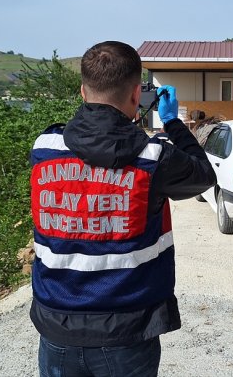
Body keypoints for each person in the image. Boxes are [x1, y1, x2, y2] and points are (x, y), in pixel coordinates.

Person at [29, 41, 216, 377]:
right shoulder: (155, 159)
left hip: (56, 326)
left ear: (82, 93)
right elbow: (204, 176)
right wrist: (173, 123)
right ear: (135, 96)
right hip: (127, 331)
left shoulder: (44, 147)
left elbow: (88, 143)